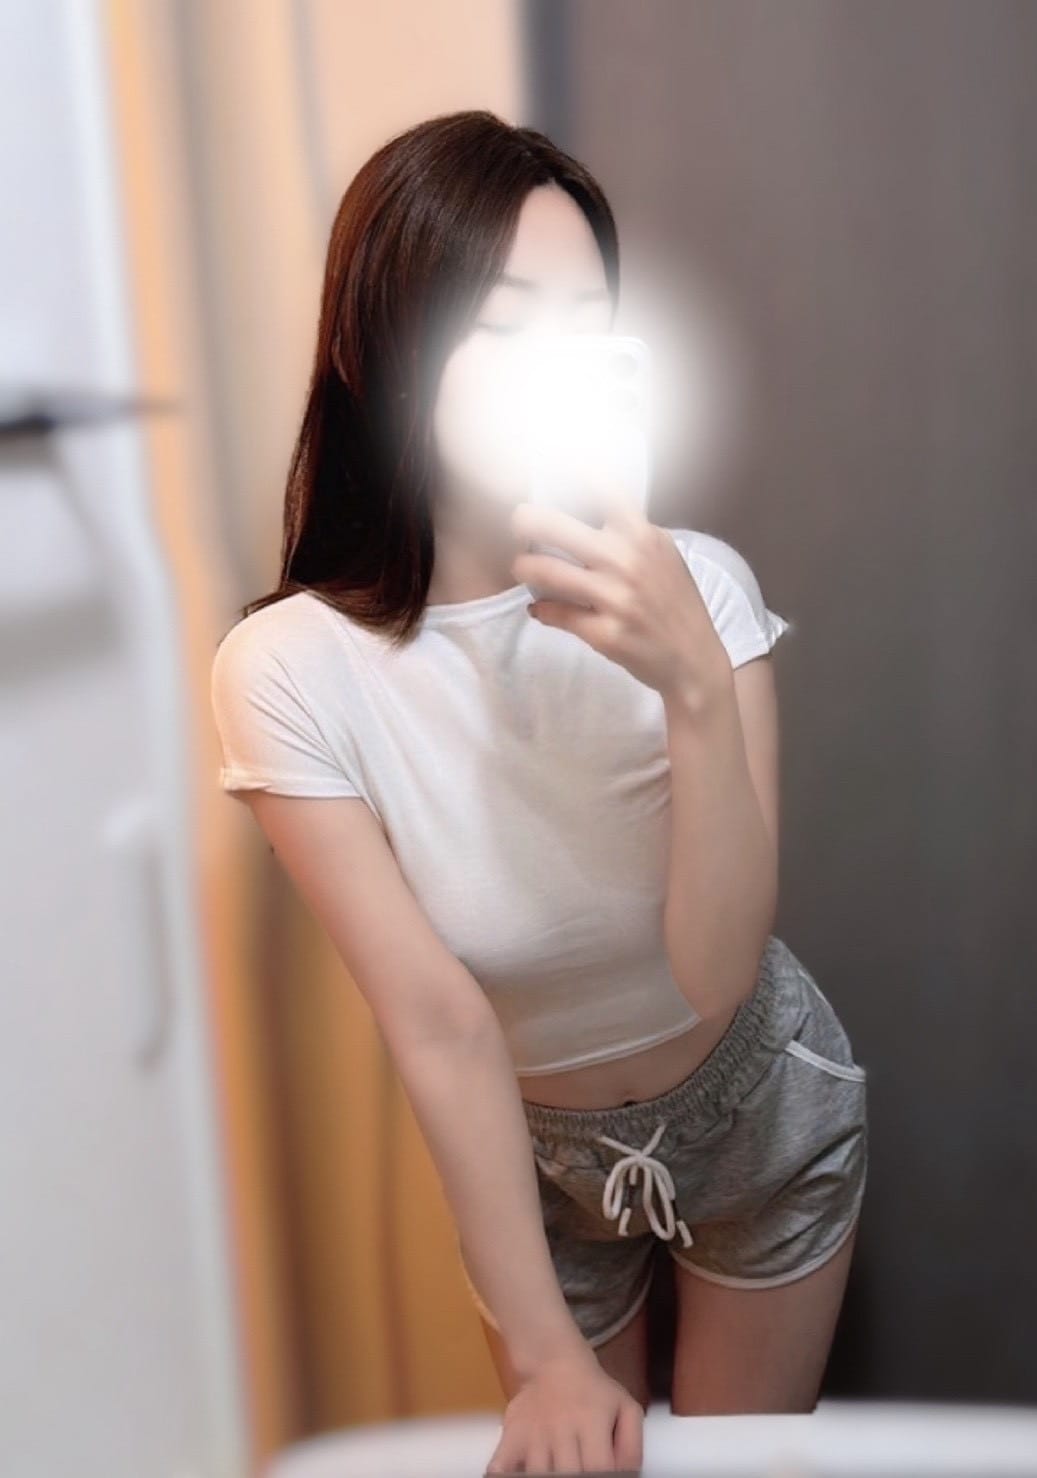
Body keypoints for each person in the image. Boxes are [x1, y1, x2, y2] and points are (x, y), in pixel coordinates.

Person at [210, 109, 868, 1476]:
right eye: (502, 323)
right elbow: (438, 1022)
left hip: (755, 1094)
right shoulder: (289, 670)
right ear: (378, 346)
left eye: (585, 327)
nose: (549, 365)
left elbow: (714, 967)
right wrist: (546, 1359)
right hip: (530, 1160)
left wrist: (693, 684)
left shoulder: (700, 586)